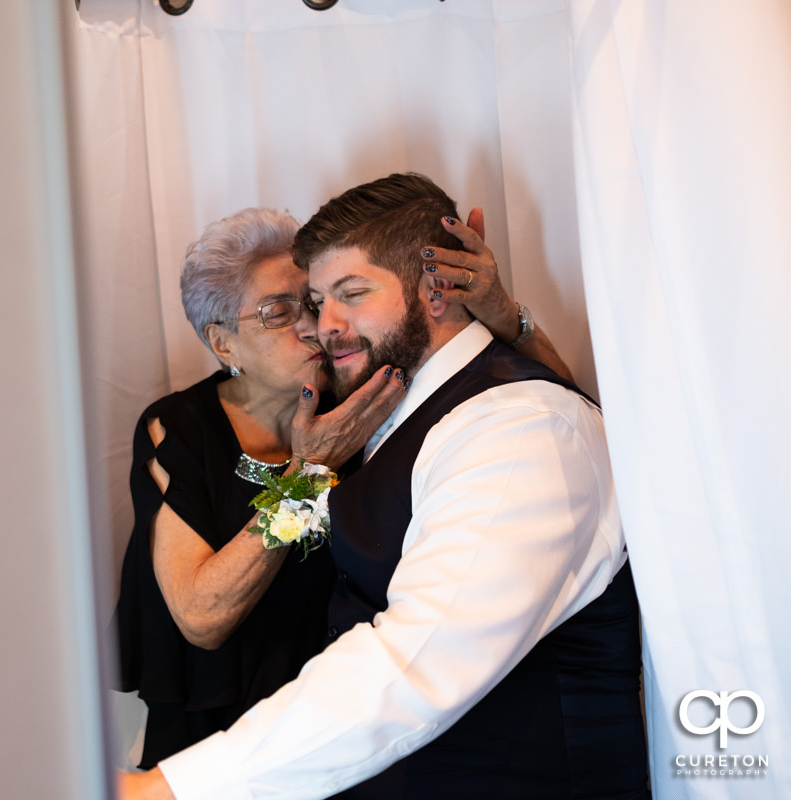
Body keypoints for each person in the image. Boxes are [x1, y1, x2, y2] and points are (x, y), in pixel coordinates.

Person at [119, 173, 647, 799]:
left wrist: (510, 319)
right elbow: (203, 615)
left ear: (436, 290)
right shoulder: (196, 427)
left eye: (347, 295)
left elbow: (410, 667)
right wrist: (305, 477)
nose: (321, 326)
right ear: (222, 343)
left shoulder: (495, 421)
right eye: (291, 309)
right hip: (262, 739)